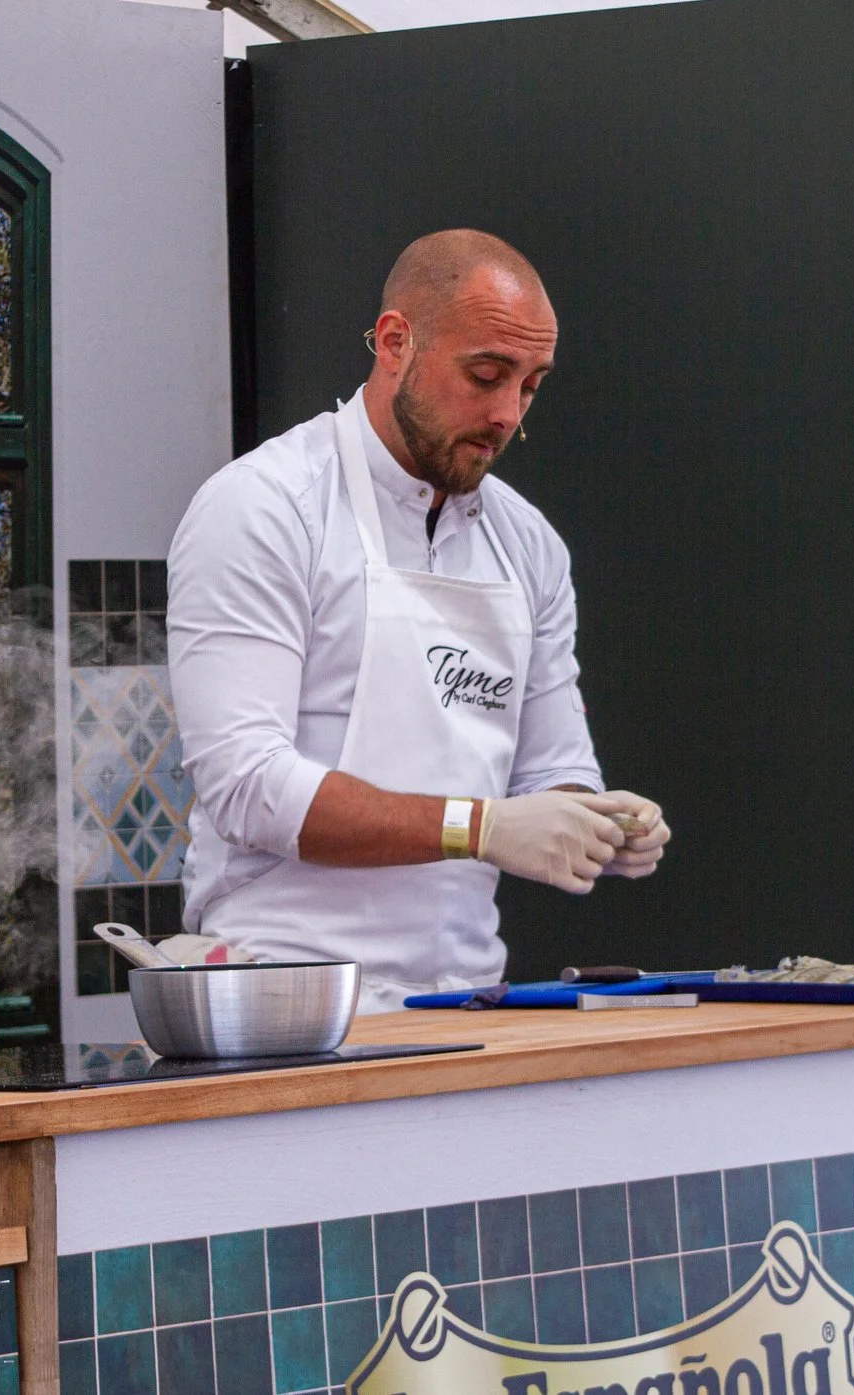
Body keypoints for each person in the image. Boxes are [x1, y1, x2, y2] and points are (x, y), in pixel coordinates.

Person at [165, 228, 671, 1010]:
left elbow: (551, 770)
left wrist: (603, 822)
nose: (507, 413)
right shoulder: (265, 507)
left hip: (468, 997)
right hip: (286, 996)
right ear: (396, 341)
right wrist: (480, 826)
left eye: (531, 384)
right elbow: (248, 784)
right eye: (487, 374)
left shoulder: (528, 545)